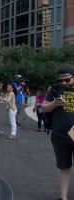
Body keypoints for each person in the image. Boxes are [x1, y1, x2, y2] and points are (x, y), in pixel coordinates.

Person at [42, 64, 74, 200]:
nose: (64, 83)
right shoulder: (56, 89)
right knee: (63, 166)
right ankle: (63, 197)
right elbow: (44, 108)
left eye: (67, 80)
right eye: (61, 80)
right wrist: (54, 104)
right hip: (60, 132)